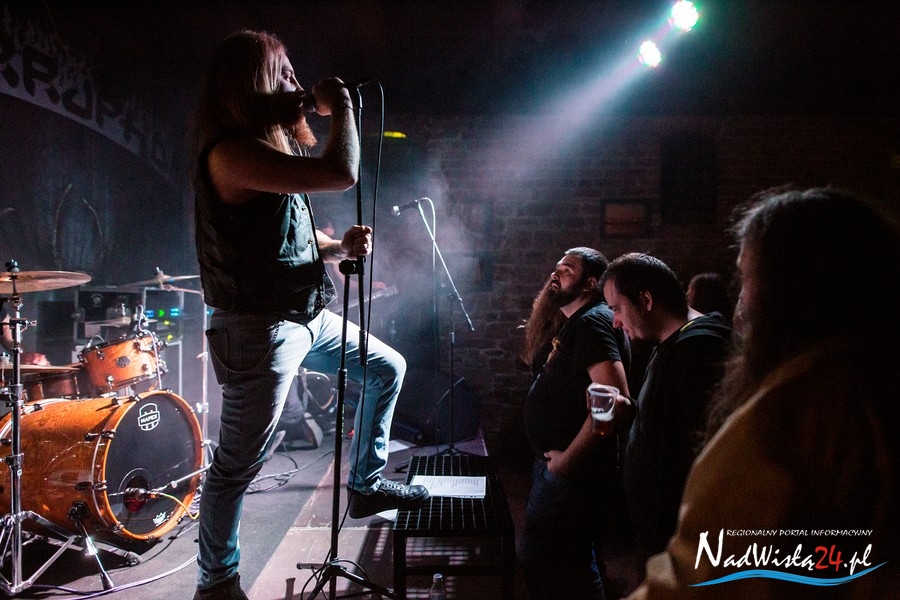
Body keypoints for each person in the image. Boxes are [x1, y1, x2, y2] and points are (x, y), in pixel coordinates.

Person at [192, 30, 427, 600]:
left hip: (304, 315)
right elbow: (342, 172)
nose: (298, 85)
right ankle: (216, 582)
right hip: (258, 328)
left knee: (386, 367)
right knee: (237, 464)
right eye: (286, 74)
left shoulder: (272, 154)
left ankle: (366, 484)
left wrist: (337, 246)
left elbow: (288, 240)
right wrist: (342, 103)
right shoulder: (230, 153)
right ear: (255, 84)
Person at [628, 188, 900, 599]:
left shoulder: (795, 411)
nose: (741, 301)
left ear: (791, 287)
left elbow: (706, 574)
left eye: (747, 277)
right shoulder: (874, 379)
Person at [601, 253, 731, 575]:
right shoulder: (671, 344)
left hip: (676, 541)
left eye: (617, 309)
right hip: (657, 535)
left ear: (646, 300)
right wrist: (633, 411)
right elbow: (669, 423)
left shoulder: (696, 352)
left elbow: (696, 457)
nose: (615, 322)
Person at [518, 247, 632, 600]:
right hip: (564, 469)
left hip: (573, 472)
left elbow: (615, 401)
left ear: (590, 283)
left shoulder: (592, 322)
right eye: (556, 267)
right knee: (571, 562)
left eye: (567, 269)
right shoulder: (577, 322)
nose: (556, 273)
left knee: (556, 564)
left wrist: (567, 461)